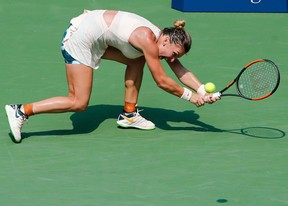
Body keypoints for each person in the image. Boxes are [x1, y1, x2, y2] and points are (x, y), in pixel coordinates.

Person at [5, 9, 219, 143]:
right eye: (173, 54)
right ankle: (21, 111)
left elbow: (179, 69)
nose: (172, 59)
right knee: (78, 102)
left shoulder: (157, 39)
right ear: (166, 42)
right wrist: (191, 98)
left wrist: (202, 91)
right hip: (79, 39)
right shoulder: (146, 38)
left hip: (95, 37)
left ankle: (129, 115)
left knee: (137, 59)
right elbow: (162, 81)